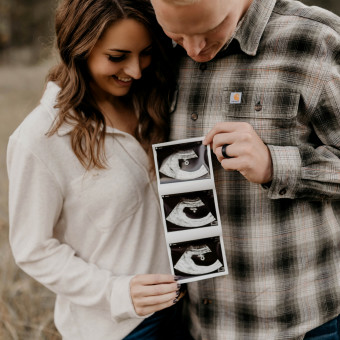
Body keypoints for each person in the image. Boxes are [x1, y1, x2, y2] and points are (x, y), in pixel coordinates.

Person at [150, 0, 340, 339]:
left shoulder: (314, 40)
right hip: (200, 324)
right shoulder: (155, 49)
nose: (194, 49)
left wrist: (275, 165)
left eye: (210, 30)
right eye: (177, 35)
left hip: (302, 325)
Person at [6, 0, 191, 339]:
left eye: (145, 53)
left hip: (186, 309)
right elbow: (33, 249)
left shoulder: (154, 99)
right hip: (118, 328)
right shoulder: (39, 139)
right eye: (117, 57)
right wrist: (116, 292)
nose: (135, 71)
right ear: (79, 49)